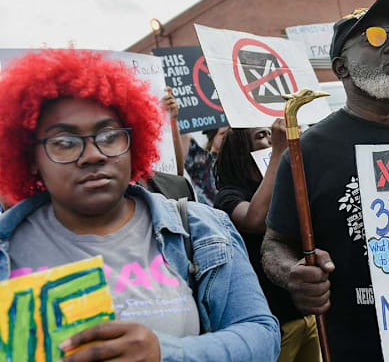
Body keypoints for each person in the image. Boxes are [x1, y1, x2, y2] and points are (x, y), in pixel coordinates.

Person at [0, 49, 280, 362]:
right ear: (31, 158)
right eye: (64, 142)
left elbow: (261, 335)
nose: (93, 154)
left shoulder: (202, 230)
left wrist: (167, 353)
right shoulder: (8, 246)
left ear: (133, 143)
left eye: (109, 136)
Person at [260, 0, 389, 361]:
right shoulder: (306, 154)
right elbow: (274, 244)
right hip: (358, 345)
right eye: (375, 39)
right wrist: (294, 275)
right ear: (342, 68)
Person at [213, 121, 321, 362]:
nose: (272, 139)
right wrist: (279, 152)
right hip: (273, 324)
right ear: (241, 152)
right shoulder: (229, 196)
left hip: (305, 316)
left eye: (273, 135)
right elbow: (256, 219)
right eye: (262, 135)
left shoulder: (289, 189)